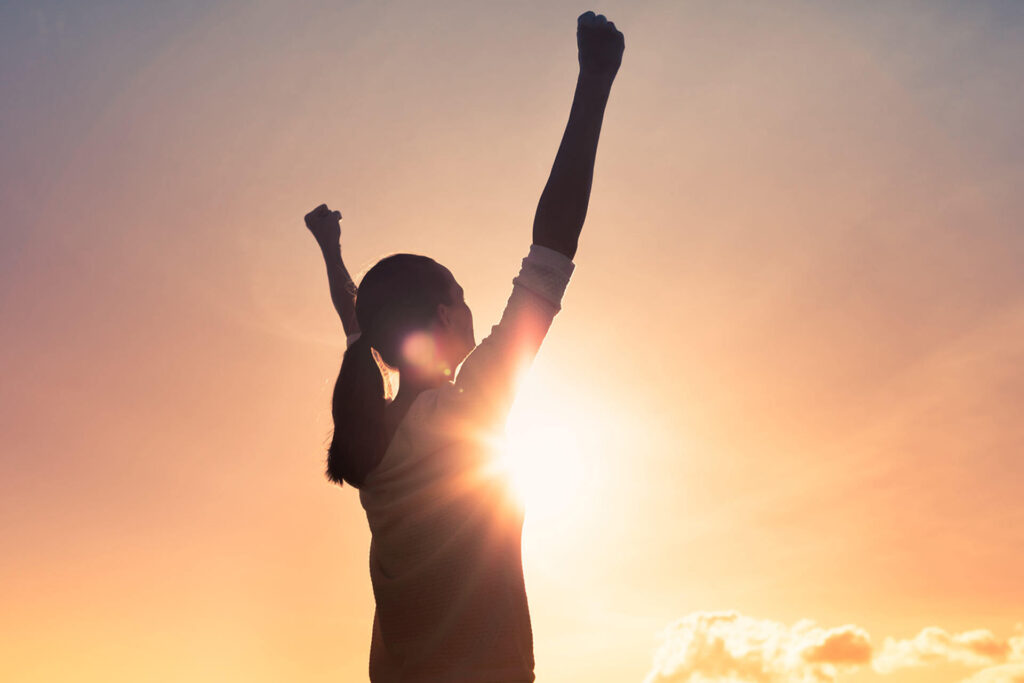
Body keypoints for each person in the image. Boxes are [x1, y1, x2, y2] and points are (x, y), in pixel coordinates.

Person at [305, 11, 623, 682]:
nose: (476, 304)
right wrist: (593, 84)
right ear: (446, 313)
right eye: (464, 292)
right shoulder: (468, 409)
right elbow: (550, 254)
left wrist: (331, 250)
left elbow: (353, 315)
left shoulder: (372, 437)